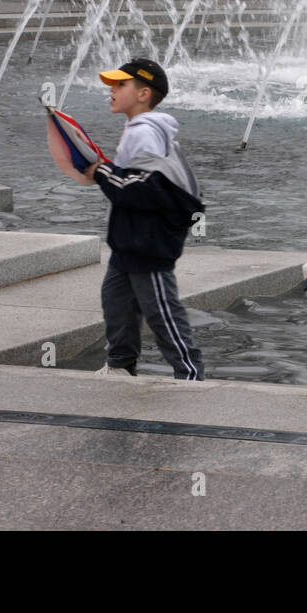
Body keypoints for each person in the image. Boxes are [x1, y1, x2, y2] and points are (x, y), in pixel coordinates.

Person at [83, 59, 206, 380]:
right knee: (116, 302)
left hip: (146, 243)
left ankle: (189, 371)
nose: (112, 89)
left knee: (161, 310)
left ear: (143, 93)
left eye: (121, 84)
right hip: (129, 239)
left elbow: (147, 188)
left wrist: (103, 171)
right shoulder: (140, 129)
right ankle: (121, 365)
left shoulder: (146, 133)